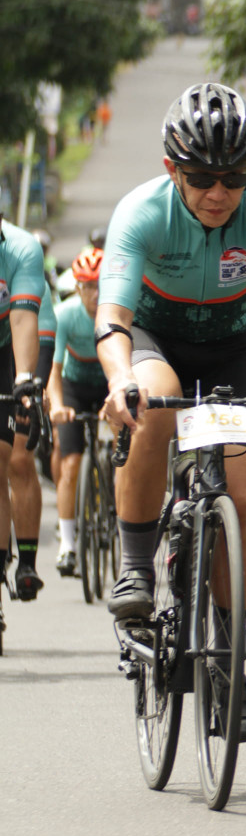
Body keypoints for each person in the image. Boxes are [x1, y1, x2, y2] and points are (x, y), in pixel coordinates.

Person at [96, 82, 246, 741]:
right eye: (201, 177)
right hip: (153, 340)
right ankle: (136, 566)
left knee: (242, 493)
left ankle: (229, 653)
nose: (218, 193)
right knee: (155, 401)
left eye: (235, 178)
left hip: (228, 348)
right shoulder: (141, 211)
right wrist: (119, 379)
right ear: (172, 169)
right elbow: (112, 317)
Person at [47, 247, 106, 576]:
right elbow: (54, 369)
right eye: (88, 286)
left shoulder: (118, 310)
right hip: (74, 386)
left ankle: (115, 510)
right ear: (78, 287)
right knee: (69, 462)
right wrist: (57, 405)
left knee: (124, 453)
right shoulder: (65, 314)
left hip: (109, 383)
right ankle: (68, 543)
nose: (95, 294)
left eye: (101, 285)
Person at [0, 215, 44, 602]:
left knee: (10, 456)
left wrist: (24, 379)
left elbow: (22, 317)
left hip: (7, 348)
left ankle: (20, 561)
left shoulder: (19, 248)